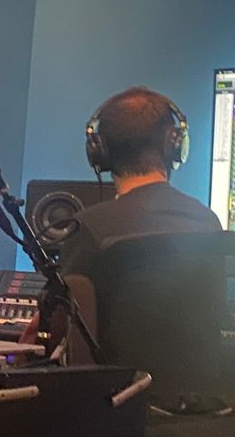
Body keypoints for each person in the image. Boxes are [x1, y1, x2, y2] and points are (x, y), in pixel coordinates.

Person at [58, 86, 220, 352]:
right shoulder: (208, 222)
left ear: (100, 152)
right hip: (197, 380)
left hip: (115, 379)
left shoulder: (89, 227)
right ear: (175, 146)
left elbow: (65, 329)